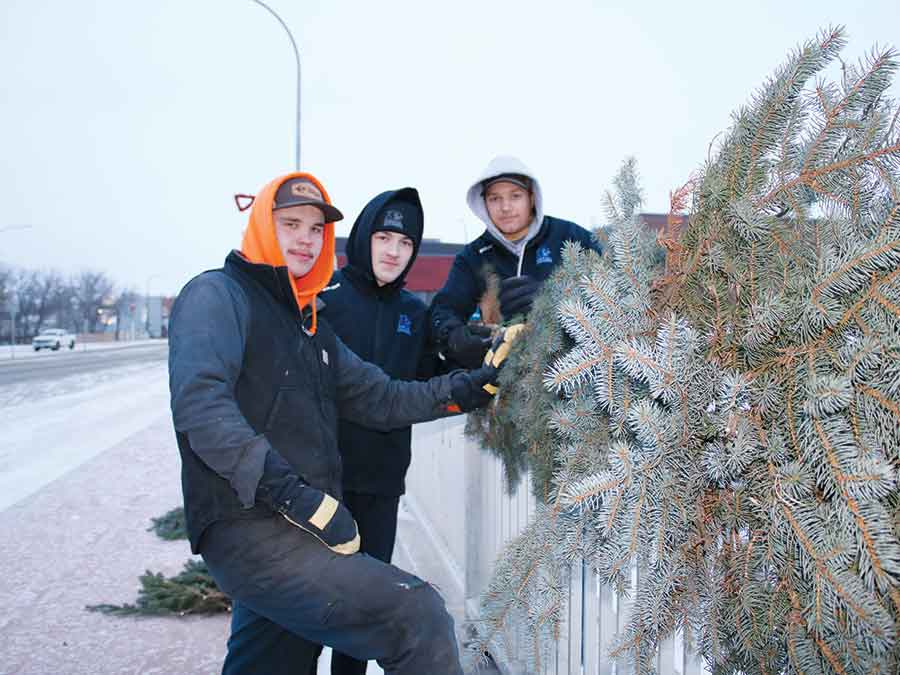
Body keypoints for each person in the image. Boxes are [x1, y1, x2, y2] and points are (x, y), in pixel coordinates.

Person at [168, 171, 516, 675]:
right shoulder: (218, 296)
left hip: (296, 528)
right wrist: (295, 495)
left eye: (316, 229)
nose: (306, 239)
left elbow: (382, 397)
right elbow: (202, 407)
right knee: (415, 615)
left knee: (274, 659)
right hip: (250, 523)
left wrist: (472, 386)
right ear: (264, 226)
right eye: (291, 224)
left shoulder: (309, 324)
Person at [431, 155, 601, 368]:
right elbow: (444, 309)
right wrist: (455, 337)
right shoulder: (474, 256)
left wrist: (551, 299)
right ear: (483, 203)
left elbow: (614, 289)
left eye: (515, 196)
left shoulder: (569, 236)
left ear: (531, 197)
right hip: (505, 378)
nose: (505, 207)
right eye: (494, 198)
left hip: (572, 372)